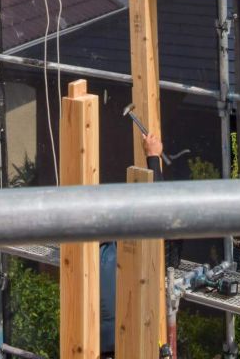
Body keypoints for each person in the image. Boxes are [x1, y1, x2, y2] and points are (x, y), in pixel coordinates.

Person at [100, 132, 164, 358]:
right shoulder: (114, 255)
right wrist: (153, 157)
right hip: (130, 346)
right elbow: (159, 210)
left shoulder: (85, 254)